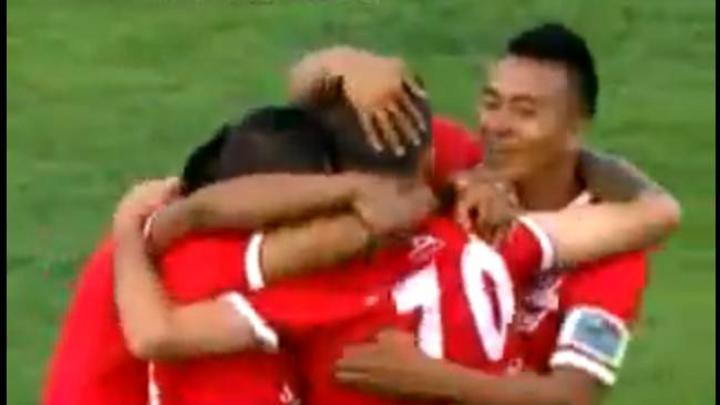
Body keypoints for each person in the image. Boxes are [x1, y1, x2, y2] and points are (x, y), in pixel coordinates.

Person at [115, 82, 678, 404]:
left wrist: (129, 229)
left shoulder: (326, 287)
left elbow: (156, 334)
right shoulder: (483, 236)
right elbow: (653, 213)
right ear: (428, 159)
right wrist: (558, 145)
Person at [292, 24, 675, 404]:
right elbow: (310, 99)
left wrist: (427, 378)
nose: (497, 126)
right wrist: (357, 66)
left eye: (525, 112)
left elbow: (571, 397)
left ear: (575, 129)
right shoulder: (453, 154)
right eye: (492, 103)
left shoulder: (611, 251)